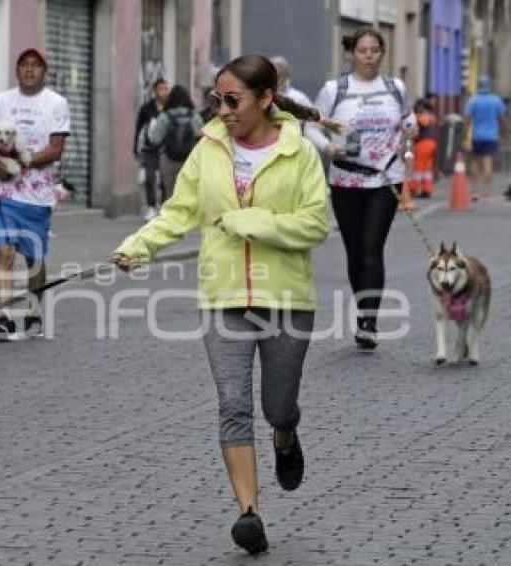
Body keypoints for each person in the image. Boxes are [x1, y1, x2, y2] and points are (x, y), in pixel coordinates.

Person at [114, 54, 330, 555]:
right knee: (233, 404)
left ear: (265, 99)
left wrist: (253, 222)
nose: (223, 108)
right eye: (218, 98)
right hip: (222, 295)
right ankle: (249, 513)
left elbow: (316, 223)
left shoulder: (299, 153)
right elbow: (179, 212)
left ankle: (285, 435)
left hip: (286, 298)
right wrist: (137, 246)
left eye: (234, 99)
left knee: (277, 405)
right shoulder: (207, 149)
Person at [305, 27, 416, 351]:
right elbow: (310, 125)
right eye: (362, 50)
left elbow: (407, 120)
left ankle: (369, 320)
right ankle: (362, 307)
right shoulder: (334, 89)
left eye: (375, 50)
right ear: (351, 53)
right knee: (354, 250)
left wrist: (411, 128)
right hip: (345, 179)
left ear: (383, 53)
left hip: (385, 178)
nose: (369, 55)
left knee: (371, 247)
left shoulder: (395, 88)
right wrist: (327, 147)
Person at [0, 48, 70, 340]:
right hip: (2, 196)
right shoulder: (2, 101)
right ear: (17, 70)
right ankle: (4, 315)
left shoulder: (56, 104)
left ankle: (34, 311)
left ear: (43, 71)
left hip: (37, 197)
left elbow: (56, 148)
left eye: (35, 66)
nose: (29, 70)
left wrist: (23, 163)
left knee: (34, 259)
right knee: (5, 251)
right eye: (23, 65)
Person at [147, 85, 205, 199]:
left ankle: (172, 215)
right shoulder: (194, 116)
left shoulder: (164, 117)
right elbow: (202, 137)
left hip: (168, 159)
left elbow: (154, 139)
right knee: (188, 193)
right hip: (189, 160)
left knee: (170, 193)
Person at [464, 75, 506, 201]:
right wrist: (504, 132)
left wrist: (466, 134)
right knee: (488, 163)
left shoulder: (473, 100)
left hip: (477, 135)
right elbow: (501, 119)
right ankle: (487, 192)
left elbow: (467, 119)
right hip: (491, 136)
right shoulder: (496, 100)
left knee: (475, 162)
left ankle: (474, 191)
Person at [134, 79, 171, 221]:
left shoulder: (170, 107)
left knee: (163, 179)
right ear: (155, 92)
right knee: (149, 178)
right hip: (149, 149)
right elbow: (139, 128)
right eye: (161, 89)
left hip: (166, 149)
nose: (164, 92)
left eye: (167, 89)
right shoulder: (147, 108)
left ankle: (163, 206)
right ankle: (151, 206)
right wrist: (135, 147)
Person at [410, 98, 439, 198]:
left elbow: (421, 124)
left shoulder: (422, 115)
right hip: (432, 142)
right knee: (427, 168)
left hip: (423, 143)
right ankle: (426, 190)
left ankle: (413, 189)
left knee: (418, 167)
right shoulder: (432, 115)